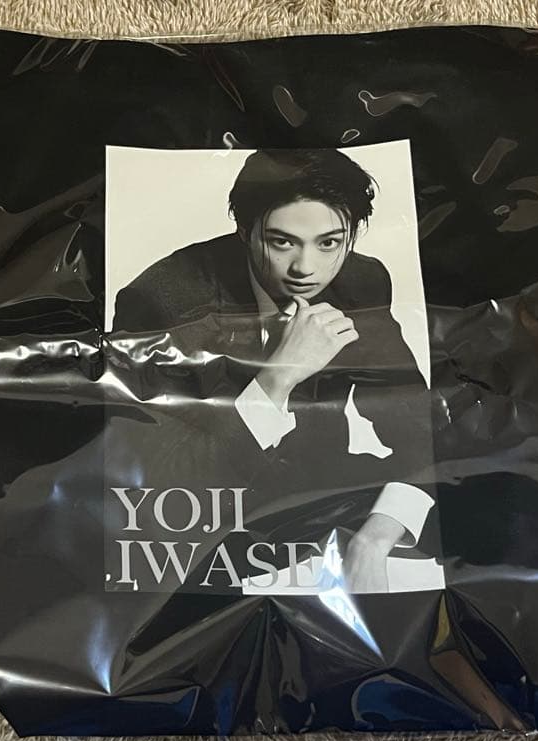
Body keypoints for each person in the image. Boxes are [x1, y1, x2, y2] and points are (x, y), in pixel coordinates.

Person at [110, 148, 437, 593]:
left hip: (316, 511)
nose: (306, 268)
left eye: (329, 242)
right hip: (207, 532)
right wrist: (277, 377)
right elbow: (155, 485)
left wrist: (375, 540)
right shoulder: (162, 303)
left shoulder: (361, 282)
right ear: (244, 231)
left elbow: (418, 425)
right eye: (282, 242)